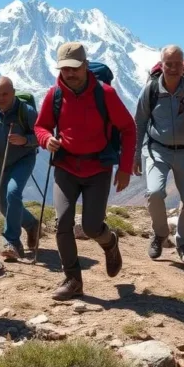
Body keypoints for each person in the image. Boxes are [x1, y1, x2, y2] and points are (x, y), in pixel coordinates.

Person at [34, 42, 137, 300]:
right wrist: (47, 139)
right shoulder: (54, 94)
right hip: (66, 166)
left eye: (74, 68)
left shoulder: (105, 94)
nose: (69, 73)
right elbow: (41, 126)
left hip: (98, 168)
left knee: (91, 227)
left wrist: (124, 168)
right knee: (63, 223)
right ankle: (73, 279)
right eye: (64, 69)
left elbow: (128, 128)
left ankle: (109, 242)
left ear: (85, 65)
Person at [132, 45, 184, 264]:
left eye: (177, 64)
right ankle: (160, 234)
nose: (173, 68)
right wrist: (134, 154)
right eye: (168, 64)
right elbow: (139, 123)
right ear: (161, 65)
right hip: (156, 149)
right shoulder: (150, 90)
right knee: (154, 193)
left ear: (183, 66)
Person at [0, 76, 41, 261]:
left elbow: (42, 136)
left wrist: (25, 140)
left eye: (5, 94)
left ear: (13, 93)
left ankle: (11, 241)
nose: (1, 98)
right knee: (3, 206)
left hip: (23, 160)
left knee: (12, 194)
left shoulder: (26, 111)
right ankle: (31, 224)